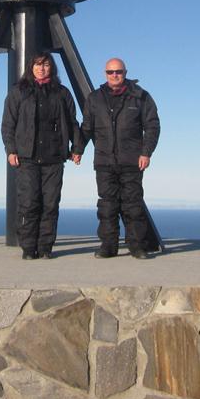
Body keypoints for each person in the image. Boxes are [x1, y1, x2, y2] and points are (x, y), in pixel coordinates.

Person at [72, 57, 160, 259]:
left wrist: (146, 152)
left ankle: (137, 247)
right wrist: (78, 149)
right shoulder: (95, 98)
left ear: (125, 73)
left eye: (118, 72)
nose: (114, 75)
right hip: (104, 161)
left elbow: (152, 126)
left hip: (132, 160)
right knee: (107, 206)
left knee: (133, 205)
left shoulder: (140, 96)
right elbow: (87, 127)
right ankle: (108, 246)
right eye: (110, 72)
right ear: (105, 74)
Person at [1, 52, 81, 260]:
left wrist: (76, 148)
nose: (41, 68)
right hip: (27, 157)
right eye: (37, 65)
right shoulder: (19, 92)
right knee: (29, 203)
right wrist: (11, 150)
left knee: (50, 204)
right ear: (31, 67)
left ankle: (45, 247)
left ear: (51, 67)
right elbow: (8, 124)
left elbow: (72, 123)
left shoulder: (62, 93)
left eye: (45, 64)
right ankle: (28, 247)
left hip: (54, 157)